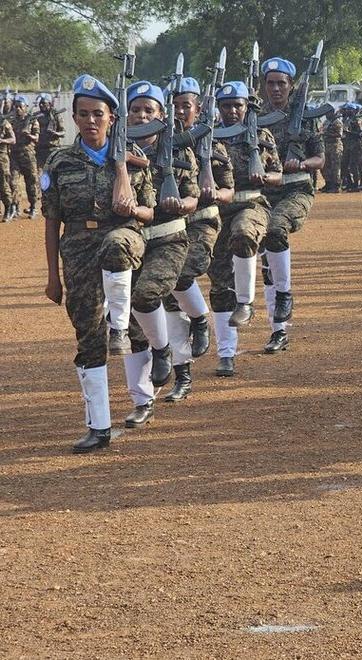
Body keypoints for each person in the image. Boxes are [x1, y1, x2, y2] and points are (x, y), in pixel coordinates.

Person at [41, 74, 156, 452]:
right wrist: (53, 277)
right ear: (74, 117)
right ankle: (99, 425)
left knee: (115, 248)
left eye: (98, 114)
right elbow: (52, 221)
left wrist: (130, 203)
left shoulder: (131, 159)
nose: (91, 121)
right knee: (89, 335)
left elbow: (150, 211)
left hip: (123, 237)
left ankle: (129, 355)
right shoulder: (59, 161)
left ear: (111, 118)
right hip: (77, 250)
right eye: (84, 114)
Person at [122, 80, 199, 426]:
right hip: (132, 245)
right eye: (135, 110)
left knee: (152, 296)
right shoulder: (116, 152)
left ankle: (177, 364)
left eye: (148, 110)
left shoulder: (178, 149)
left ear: (161, 115)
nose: (141, 116)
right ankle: (142, 400)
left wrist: (181, 204)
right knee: (129, 323)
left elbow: (194, 196)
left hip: (169, 240)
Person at [162, 76, 236, 401]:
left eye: (185, 106)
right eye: (174, 106)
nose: (180, 111)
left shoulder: (212, 146)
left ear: (198, 108)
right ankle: (183, 375)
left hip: (202, 221)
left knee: (185, 274)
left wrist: (214, 192)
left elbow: (229, 190)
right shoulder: (158, 145)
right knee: (168, 298)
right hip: (169, 226)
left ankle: (202, 320)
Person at [208, 81, 282, 376]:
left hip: (252, 204)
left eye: (237, 105)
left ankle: (246, 302)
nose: (231, 111)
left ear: (246, 107)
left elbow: (278, 174)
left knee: (243, 233)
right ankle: (226, 353)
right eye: (226, 106)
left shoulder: (261, 135)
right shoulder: (210, 137)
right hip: (217, 212)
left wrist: (264, 176)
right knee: (218, 283)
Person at [260, 56, 325, 353]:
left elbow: (320, 159)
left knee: (275, 229)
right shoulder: (256, 118)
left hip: (297, 190)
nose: (276, 89)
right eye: (271, 83)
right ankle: (278, 331)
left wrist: (301, 163)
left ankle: (285, 294)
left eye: (281, 84)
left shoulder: (306, 116)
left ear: (291, 86)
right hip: (264, 194)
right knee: (266, 262)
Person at [10, 95, 41, 218]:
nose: (18, 109)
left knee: (31, 181)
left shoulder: (32, 121)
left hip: (28, 155)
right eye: (16, 106)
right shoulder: (12, 121)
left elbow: (36, 138)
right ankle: (15, 207)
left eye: (20, 106)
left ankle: (33, 207)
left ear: (26, 107)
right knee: (13, 181)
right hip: (14, 155)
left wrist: (28, 135)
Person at [36, 93, 66, 170]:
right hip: (40, 149)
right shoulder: (37, 116)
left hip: (52, 149)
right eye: (40, 103)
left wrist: (56, 133)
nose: (41, 105)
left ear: (49, 104)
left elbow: (63, 132)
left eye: (43, 103)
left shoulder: (55, 115)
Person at [321, 110, 344, 193]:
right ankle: (328, 184)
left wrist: (326, 134)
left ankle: (337, 185)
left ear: (332, 113)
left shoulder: (337, 122)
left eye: (327, 113)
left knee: (335, 167)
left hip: (335, 146)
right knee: (326, 166)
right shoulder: (326, 122)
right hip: (327, 146)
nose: (326, 115)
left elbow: (339, 134)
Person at [0, 114, 14, 221]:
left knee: (4, 184)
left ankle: (8, 208)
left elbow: (13, 139)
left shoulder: (4, 123)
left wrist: (2, 140)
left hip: (2, 157)